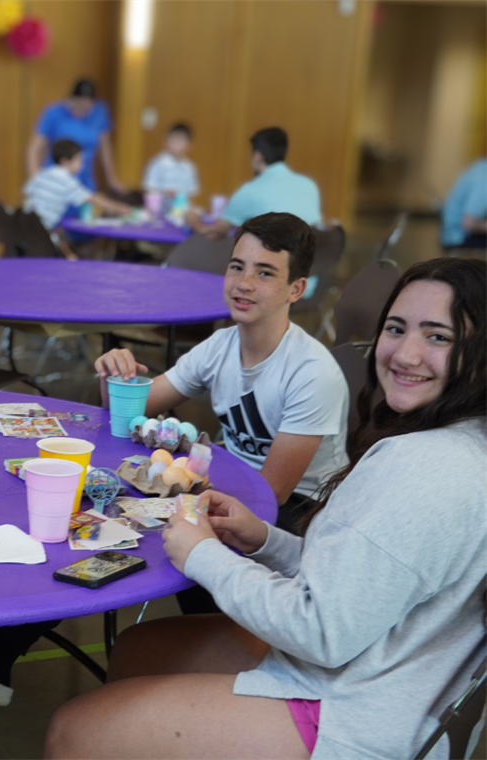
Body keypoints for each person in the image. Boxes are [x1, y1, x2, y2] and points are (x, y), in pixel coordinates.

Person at [44, 256, 487, 760]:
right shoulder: (462, 442)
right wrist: (266, 541)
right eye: (396, 328)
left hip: (359, 712)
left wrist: (205, 556)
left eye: (439, 337)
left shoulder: (422, 466)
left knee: (72, 729)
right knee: (140, 649)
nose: (406, 354)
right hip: (394, 675)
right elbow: (375, 580)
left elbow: (322, 632)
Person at [0, 212, 348, 706]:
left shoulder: (310, 373)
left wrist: (183, 506)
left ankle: (218, 670)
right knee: (90, 517)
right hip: (230, 486)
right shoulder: (221, 346)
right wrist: (119, 379)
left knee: (130, 530)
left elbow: (272, 495)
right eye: (236, 267)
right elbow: (125, 419)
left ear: (296, 289)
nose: (243, 284)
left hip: (298, 514)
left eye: (265, 272)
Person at [188, 128, 321, 239]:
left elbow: (212, 235)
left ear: (258, 156)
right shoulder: (310, 185)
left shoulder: (250, 191)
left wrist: (192, 220)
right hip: (308, 266)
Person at [28, 79, 127, 196]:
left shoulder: (99, 112)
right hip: (57, 179)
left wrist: (112, 178)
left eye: (86, 106)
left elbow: (105, 147)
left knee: (85, 209)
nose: (81, 109)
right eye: (78, 104)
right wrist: (36, 180)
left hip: (84, 179)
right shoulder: (53, 112)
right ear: (71, 99)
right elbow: (33, 149)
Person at [24, 139, 134, 230]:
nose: (82, 165)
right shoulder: (67, 182)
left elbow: (27, 193)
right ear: (65, 162)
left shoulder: (43, 173)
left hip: (26, 224)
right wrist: (121, 208)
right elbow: (94, 199)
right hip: (43, 229)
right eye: (79, 161)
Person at [142, 123, 199, 198]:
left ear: (189, 144)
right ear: (166, 140)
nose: (175, 145)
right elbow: (149, 189)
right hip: (160, 207)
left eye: (180, 141)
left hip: (182, 207)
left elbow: (191, 193)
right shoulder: (157, 163)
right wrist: (163, 193)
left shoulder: (190, 167)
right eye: (173, 140)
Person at [441, 157, 487, 249]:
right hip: (458, 238)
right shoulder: (484, 179)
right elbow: (469, 224)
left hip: (448, 234)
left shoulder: (481, 165)